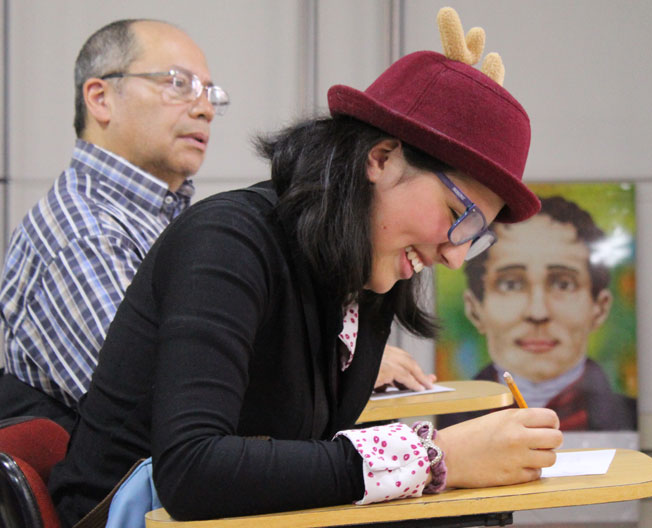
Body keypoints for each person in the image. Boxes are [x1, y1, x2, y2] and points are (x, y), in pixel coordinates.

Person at [48, 42, 564, 524]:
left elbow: (313, 446)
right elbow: (190, 470)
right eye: (458, 213)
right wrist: (434, 456)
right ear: (381, 159)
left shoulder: (365, 279)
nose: (454, 255)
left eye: (475, 236)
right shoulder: (228, 241)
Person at [0, 19, 228, 431]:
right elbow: (166, 406)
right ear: (100, 98)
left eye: (209, 93)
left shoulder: (164, 219)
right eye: (178, 84)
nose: (205, 109)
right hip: (134, 491)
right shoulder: (84, 232)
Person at [439, 196, 637, 431]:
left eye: (563, 284)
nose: (537, 312)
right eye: (511, 284)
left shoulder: (628, 418)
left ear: (600, 307)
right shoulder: (442, 425)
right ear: (475, 309)